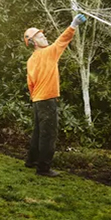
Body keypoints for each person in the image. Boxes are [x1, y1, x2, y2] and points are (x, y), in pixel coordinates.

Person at [23, 13, 86, 177]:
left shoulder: (31, 60)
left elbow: (30, 83)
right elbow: (62, 41)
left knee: (38, 133)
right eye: (41, 36)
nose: (44, 37)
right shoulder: (49, 52)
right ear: (33, 42)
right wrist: (73, 25)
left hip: (37, 100)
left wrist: (34, 97)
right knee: (48, 135)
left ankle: (32, 161)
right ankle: (43, 169)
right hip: (46, 100)